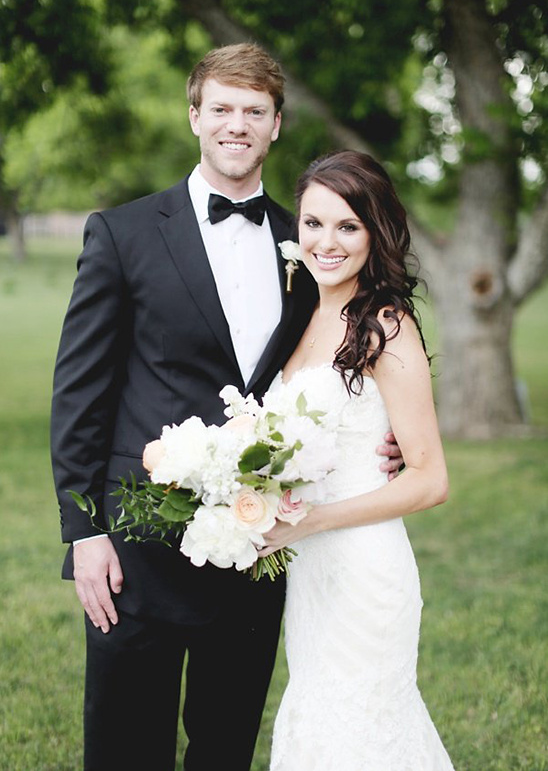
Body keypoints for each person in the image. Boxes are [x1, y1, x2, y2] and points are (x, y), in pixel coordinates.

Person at [50, 45, 403, 771]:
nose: (236, 125)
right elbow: (79, 392)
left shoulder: (305, 240)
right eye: (221, 109)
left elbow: (343, 357)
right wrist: (83, 530)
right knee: (126, 745)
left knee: (226, 740)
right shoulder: (121, 233)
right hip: (138, 541)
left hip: (258, 543)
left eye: (253, 112)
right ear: (195, 118)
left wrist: (383, 434)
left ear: (276, 125)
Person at [259, 150, 454, 770]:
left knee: (360, 732)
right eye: (313, 223)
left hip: (364, 570)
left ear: (376, 231)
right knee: (317, 725)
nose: (327, 242)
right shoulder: (304, 313)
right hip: (312, 574)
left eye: (348, 226)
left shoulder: (385, 324)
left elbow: (430, 480)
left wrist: (308, 522)